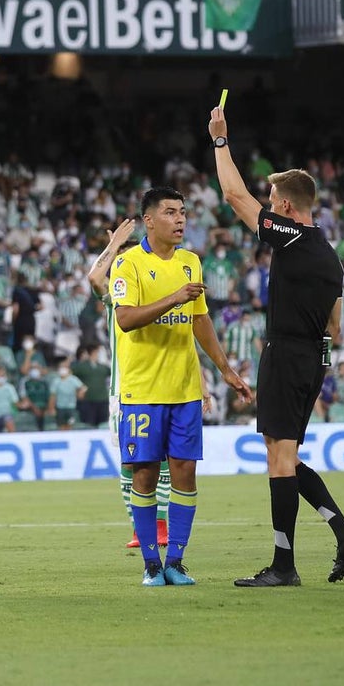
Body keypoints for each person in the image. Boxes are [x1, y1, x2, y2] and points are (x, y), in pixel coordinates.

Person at [211, 106, 344, 588]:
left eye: (272, 199)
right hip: (312, 358)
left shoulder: (294, 239)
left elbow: (233, 195)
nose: (268, 203)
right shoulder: (330, 255)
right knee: (286, 455)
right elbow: (336, 328)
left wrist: (221, 141)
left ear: (284, 207)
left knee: (278, 459)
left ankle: (284, 566)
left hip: (285, 353)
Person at [110, 187, 251, 586]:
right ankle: (151, 566)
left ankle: (175, 561)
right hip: (142, 390)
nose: (180, 220)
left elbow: (200, 320)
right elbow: (126, 319)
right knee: (144, 475)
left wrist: (224, 369)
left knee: (185, 473)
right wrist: (174, 298)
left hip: (185, 390)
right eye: (170, 213)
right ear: (149, 220)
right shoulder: (128, 264)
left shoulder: (191, 262)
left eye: (183, 213)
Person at [86, 219, 172, 549]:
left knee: (161, 457)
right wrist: (113, 246)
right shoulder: (114, 299)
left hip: (159, 383)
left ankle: (160, 525)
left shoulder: (150, 291)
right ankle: (139, 528)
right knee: (129, 459)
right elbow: (94, 277)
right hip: (122, 390)